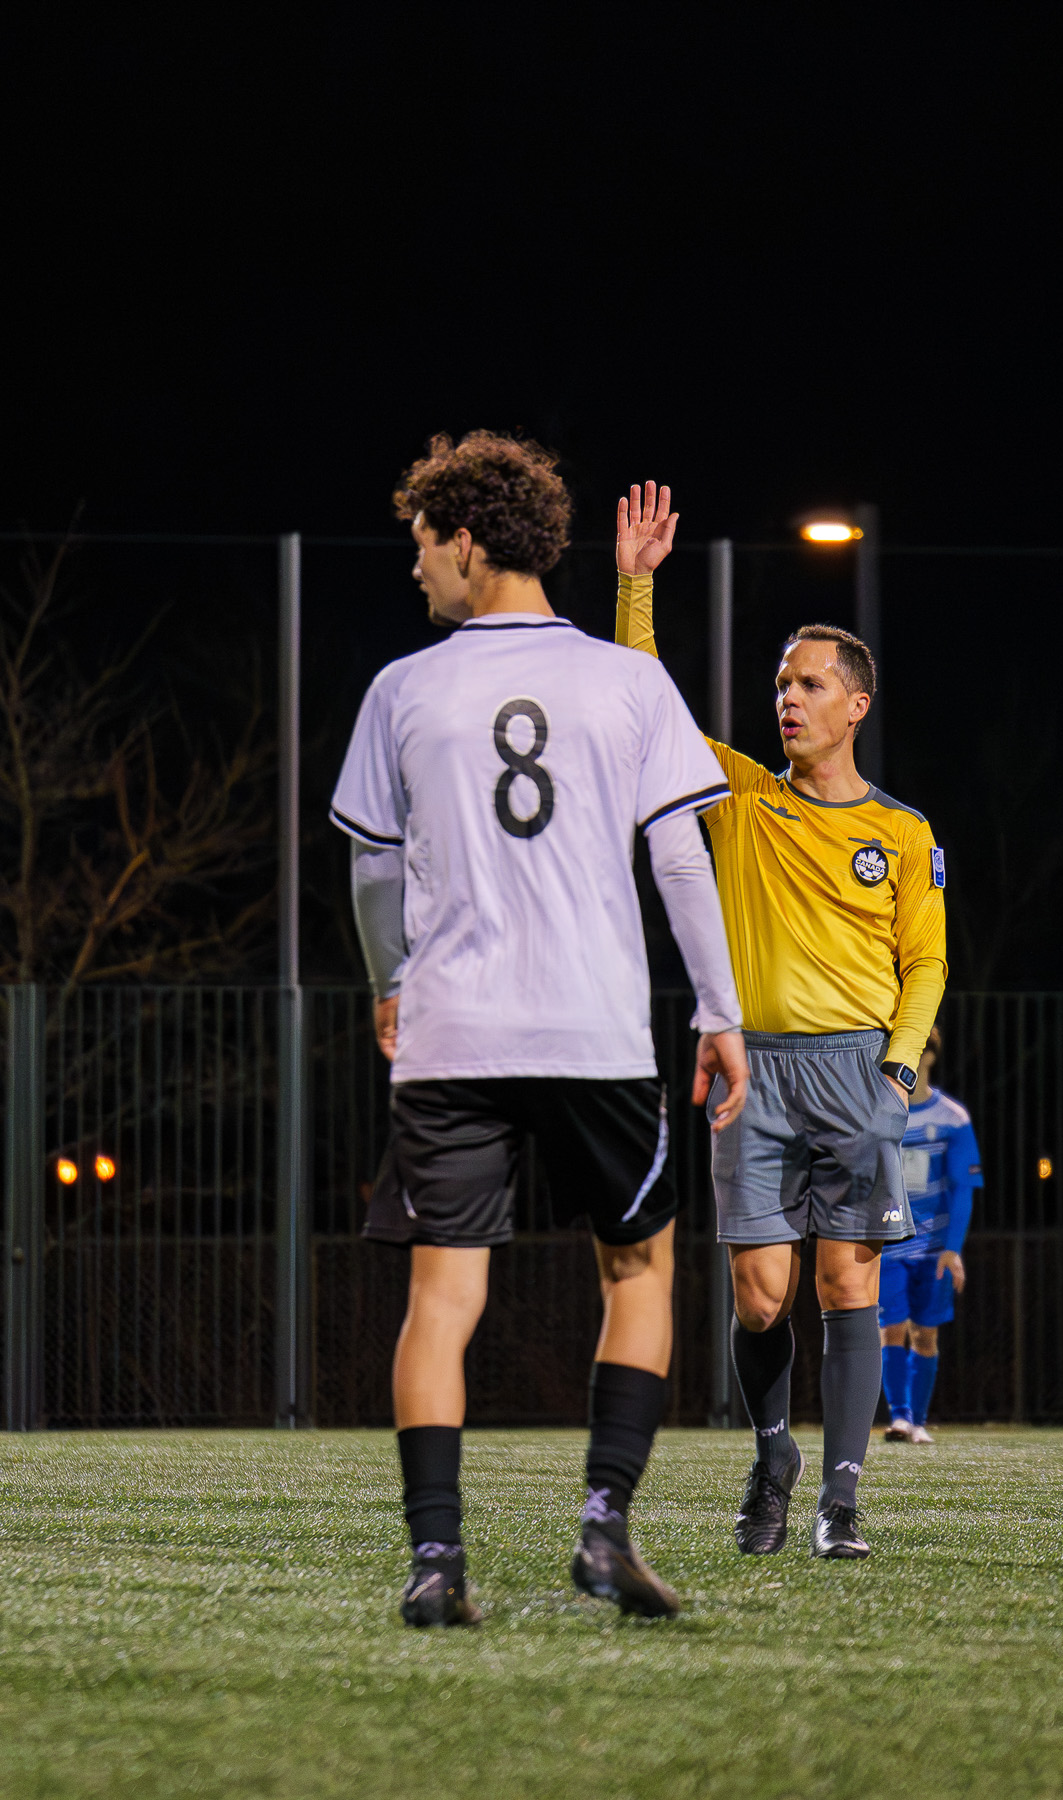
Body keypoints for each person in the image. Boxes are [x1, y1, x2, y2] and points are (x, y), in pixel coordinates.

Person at [331, 433, 749, 1627]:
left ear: (466, 543)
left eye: (421, 549)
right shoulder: (627, 681)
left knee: (443, 1298)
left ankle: (437, 1561)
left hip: (454, 1037)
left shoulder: (405, 689)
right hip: (595, 1033)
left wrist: (390, 982)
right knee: (640, 1269)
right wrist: (718, 1011)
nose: (416, 573)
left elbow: (371, 871)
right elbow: (678, 854)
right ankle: (605, 1532)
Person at [614, 482, 947, 1559]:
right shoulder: (744, 797)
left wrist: (898, 1072)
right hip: (753, 1072)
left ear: (857, 704)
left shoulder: (901, 830)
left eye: (808, 684)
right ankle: (774, 1455)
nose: (786, 699)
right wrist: (636, 585)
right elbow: (645, 705)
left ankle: (842, 1503)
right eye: (779, 684)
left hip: (856, 1071)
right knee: (762, 1298)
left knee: (849, 1278)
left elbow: (926, 960)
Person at [878, 1025, 982, 1444]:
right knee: (892, 1326)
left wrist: (952, 1250)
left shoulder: (952, 1119)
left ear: (930, 1056)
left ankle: (918, 1420)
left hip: (933, 1246)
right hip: (889, 1244)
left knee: (926, 1333)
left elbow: (963, 1190)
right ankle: (900, 1417)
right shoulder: (881, 1114)